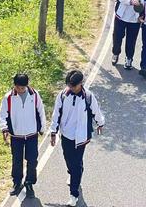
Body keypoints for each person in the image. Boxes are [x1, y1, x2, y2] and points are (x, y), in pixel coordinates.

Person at [50, 70, 105, 207]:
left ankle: (73, 194)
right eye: (69, 85)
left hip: (81, 137)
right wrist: (53, 131)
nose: (70, 88)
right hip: (67, 135)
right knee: (69, 160)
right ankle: (74, 172)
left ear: (80, 84)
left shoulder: (88, 97)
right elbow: (56, 113)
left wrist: (100, 123)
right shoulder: (62, 95)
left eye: (73, 86)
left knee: (76, 164)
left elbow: (96, 111)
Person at [0, 73, 46, 199]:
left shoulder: (34, 95)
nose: (21, 90)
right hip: (16, 136)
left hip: (31, 134)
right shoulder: (8, 97)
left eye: (23, 88)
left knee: (32, 160)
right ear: (14, 86)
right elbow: (2, 115)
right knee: (17, 160)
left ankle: (29, 183)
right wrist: (4, 128)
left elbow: (41, 110)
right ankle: (17, 182)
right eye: (19, 88)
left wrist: (42, 127)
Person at [111, 0, 146, 68]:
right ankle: (115, 53)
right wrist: (131, 1)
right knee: (118, 36)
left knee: (131, 39)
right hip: (121, 15)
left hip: (135, 18)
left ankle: (129, 58)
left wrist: (140, 3)